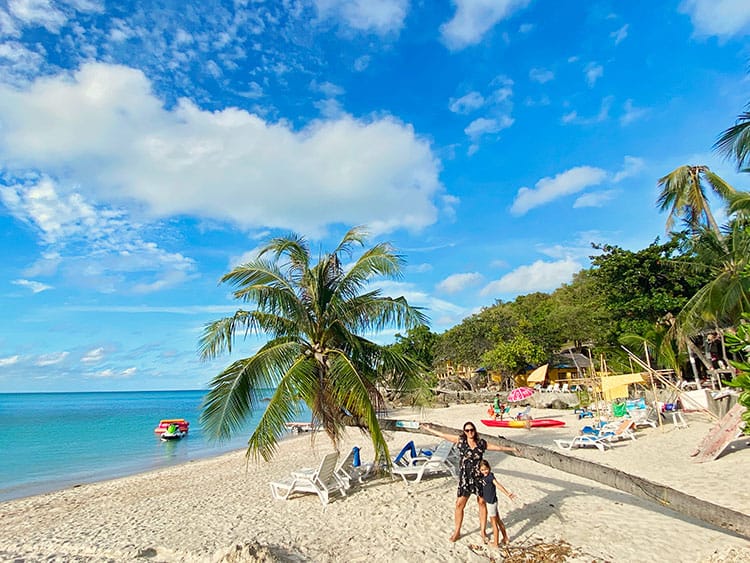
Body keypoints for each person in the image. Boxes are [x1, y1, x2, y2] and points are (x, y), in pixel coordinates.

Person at [421, 421, 519, 542]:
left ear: (475, 430)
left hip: (479, 478)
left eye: (471, 430)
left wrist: (512, 448)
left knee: (481, 503)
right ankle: (457, 531)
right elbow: (443, 435)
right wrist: (428, 429)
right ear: (464, 432)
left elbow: (497, 447)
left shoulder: (481, 443)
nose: (469, 432)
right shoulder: (461, 441)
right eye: (467, 430)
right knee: (459, 504)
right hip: (465, 478)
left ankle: (483, 532)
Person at [478, 459, 516, 546]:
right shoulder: (483, 476)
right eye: (482, 470)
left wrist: (507, 493)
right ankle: (505, 538)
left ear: (489, 468)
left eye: (486, 469)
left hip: (492, 503)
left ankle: (495, 543)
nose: (485, 471)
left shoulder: (490, 477)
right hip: (489, 501)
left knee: (494, 523)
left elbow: (497, 485)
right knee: (498, 520)